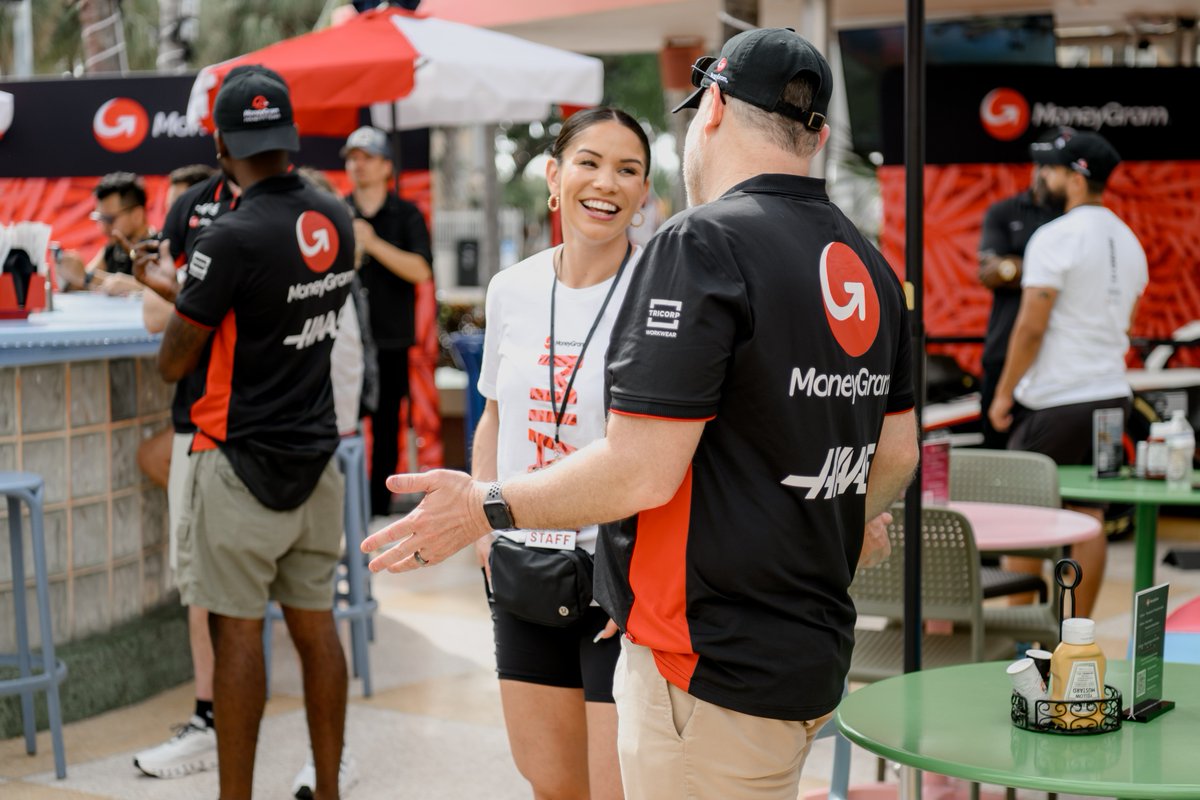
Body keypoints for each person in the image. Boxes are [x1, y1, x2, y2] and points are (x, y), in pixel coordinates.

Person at [362, 28, 918, 800]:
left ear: (712, 108)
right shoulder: (870, 262)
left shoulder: (703, 243)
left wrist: (483, 507)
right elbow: (895, 455)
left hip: (705, 663)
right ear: (817, 135)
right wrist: (835, 530)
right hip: (807, 656)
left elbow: (640, 470)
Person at [140, 65, 356, 800]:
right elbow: (270, 309)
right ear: (287, 136)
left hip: (236, 463)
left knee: (237, 633)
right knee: (316, 629)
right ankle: (327, 788)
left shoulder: (226, 237)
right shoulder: (337, 217)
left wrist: (179, 291)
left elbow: (175, 361)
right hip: (315, 460)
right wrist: (193, 291)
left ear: (223, 144)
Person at [472, 107, 650, 800]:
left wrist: (640, 564)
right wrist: (487, 530)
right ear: (554, 176)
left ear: (642, 195)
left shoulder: (661, 293)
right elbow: (493, 414)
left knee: (614, 789)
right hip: (525, 567)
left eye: (627, 169)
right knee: (549, 783)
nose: (606, 182)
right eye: (589, 162)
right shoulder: (510, 290)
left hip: (619, 577)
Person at [988, 130, 1148, 619]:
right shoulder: (1130, 241)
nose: (1043, 177)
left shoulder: (1054, 237)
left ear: (1076, 178)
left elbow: (1031, 327)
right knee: (1089, 515)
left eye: (1051, 169)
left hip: (1058, 399)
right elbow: (1129, 323)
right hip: (1111, 398)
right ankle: (1077, 631)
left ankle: (1015, 634)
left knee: (1022, 513)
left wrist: (1002, 394)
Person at [131, 161, 229, 780]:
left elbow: (156, 322)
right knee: (221, 583)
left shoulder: (210, 215)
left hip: (218, 426)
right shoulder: (299, 213)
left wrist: (172, 287)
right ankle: (216, 717)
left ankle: (212, 720)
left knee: (204, 582)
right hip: (264, 429)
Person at [341, 125, 433, 517]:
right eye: (352, 158)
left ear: (386, 167)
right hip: (344, 340)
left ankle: (376, 509)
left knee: (384, 430)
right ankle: (345, 505)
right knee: (344, 421)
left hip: (391, 338)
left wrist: (373, 242)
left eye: (367, 157)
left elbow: (420, 270)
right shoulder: (337, 210)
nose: (358, 165)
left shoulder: (406, 214)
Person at [976, 130, 1067, 449]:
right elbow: (989, 272)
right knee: (997, 454)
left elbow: (1004, 269)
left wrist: (1013, 266)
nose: (1047, 174)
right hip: (1005, 351)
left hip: (1058, 358)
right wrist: (1046, 270)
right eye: (1045, 166)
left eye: (1057, 168)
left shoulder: (1074, 217)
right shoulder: (1004, 212)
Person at [58, 171, 154, 296]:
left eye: (109, 219)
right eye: (100, 219)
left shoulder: (159, 249)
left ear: (137, 215)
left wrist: (88, 278)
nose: (103, 228)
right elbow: (82, 281)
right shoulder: (111, 249)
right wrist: (69, 274)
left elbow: (167, 291)